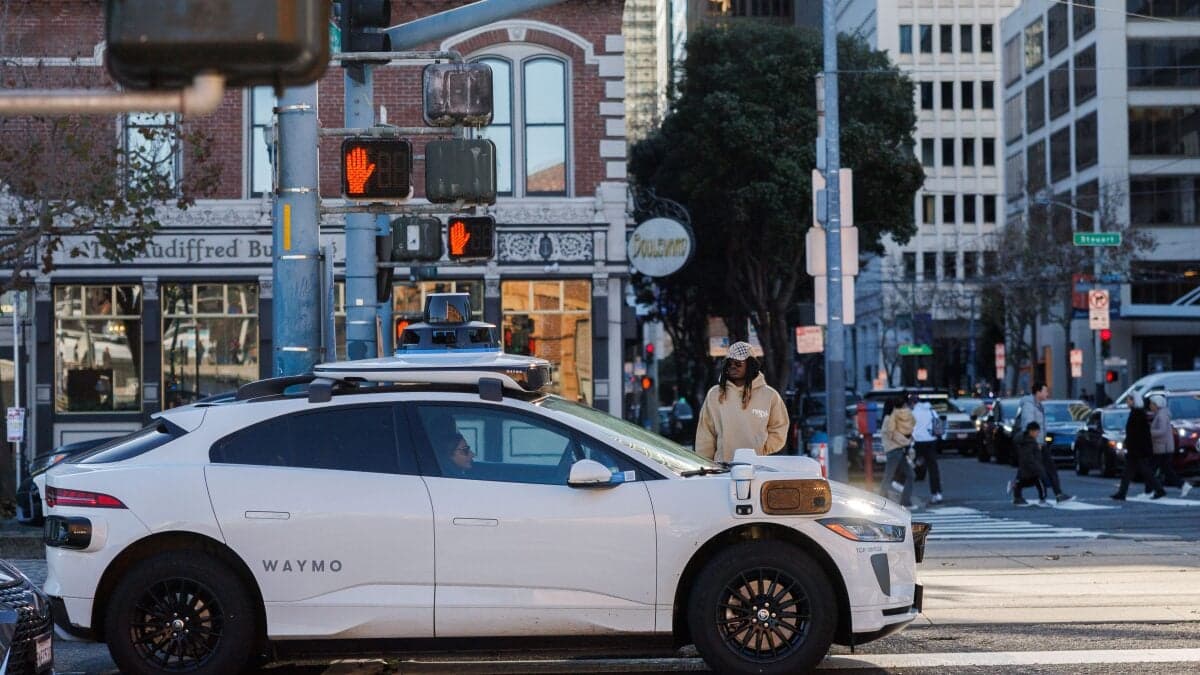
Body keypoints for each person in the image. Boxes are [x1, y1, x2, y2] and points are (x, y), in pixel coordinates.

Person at [695, 341, 789, 463]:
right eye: (729, 363)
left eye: (738, 363)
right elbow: (705, 434)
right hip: (723, 469)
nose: (733, 366)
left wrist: (762, 449)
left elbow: (779, 428)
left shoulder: (769, 395)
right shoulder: (715, 395)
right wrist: (705, 465)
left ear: (750, 365)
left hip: (758, 467)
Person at [1016, 381, 1073, 503]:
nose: (1048, 393)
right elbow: (1028, 424)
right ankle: (1018, 493)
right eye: (1045, 391)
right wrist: (1035, 442)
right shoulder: (1029, 406)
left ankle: (1058, 494)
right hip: (1034, 444)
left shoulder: (1038, 405)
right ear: (1038, 392)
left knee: (1045, 468)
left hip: (1040, 443)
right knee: (1030, 470)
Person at [1111, 393, 1165, 500]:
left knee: (1144, 471)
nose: (1127, 402)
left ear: (1134, 401)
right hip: (1136, 449)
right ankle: (1122, 493)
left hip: (1138, 450)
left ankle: (1159, 490)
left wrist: (1130, 446)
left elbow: (1137, 434)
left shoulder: (1138, 414)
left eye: (1129, 400)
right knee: (1129, 472)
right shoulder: (1137, 413)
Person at [878, 393, 916, 509]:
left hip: (897, 451)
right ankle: (882, 501)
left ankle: (905, 501)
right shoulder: (889, 419)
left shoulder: (889, 418)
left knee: (910, 475)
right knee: (889, 477)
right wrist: (907, 441)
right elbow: (893, 435)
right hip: (894, 451)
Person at [1147, 393, 1185, 494]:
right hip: (1163, 446)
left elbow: (1162, 431)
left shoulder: (1161, 415)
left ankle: (1149, 490)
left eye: (1152, 404)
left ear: (1157, 404)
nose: (1150, 406)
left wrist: (1149, 433)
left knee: (1151, 469)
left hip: (1162, 447)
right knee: (1166, 469)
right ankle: (1182, 485)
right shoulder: (1160, 414)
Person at [910, 394, 943, 504]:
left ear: (913, 403)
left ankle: (901, 489)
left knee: (911, 464)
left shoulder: (913, 413)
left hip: (918, 442)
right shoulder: (931, 411)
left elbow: (910, 428)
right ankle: (937, 493)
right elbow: (937, 423)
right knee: (933, 468)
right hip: (931, 441)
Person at [1009, 421, 1048, 506]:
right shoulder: (1029, 442)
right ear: (1032, 431)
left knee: (1025, 482)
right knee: (1040, 481)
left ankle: (1017, 495)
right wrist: (1037, 468)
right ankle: (1042, 499)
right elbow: (1029, 457)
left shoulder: (1025, 441)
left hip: (1025, 467)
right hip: (1031, 467)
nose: (1038, 434)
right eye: (1037, 431)